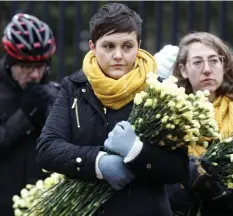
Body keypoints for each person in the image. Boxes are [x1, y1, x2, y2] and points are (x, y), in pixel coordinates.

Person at [36, 3, 189, 216]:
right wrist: (98, 163)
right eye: (108, 46)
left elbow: (179, 170)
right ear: (92, 46)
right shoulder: (74, 86)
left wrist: (138, 152)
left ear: (139, 45)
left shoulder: (161, 90)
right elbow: (47, 149)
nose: (118, 55)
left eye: (127, 46)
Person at [159, 32, 233, 216]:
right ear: (183, 69)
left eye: (214, 60)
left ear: (223, 66)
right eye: (198, 62)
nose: (207, 69)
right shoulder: (168, 116)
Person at [0, 13, 60, 216]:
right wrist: (24, 115)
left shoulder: (55, 94)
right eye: (25, 66)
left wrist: (52, 106)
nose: (34, 75)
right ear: (9, 62)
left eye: (40, 66)